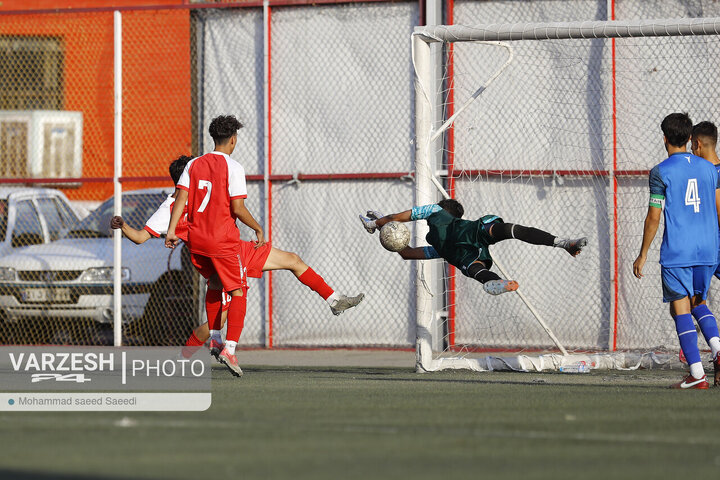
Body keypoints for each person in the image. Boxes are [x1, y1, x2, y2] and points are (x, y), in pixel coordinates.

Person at [166, 115, 364, 376]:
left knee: (272, 267)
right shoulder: (232, 167)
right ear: (233, 140)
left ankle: (333, 299)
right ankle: (228, 349)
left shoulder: (193, 165)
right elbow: (237, 207)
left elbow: (180, 199)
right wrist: (258, 227)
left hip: (202, 244)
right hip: (226, 244)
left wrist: (170, 230)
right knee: (239, 293)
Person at [110, 155, 231, 358]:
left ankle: (194, 351)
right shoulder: (168, 209)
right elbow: (140, 237)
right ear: (188, 176)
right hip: (212, 258)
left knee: (228, 306)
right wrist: (123, 225)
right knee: (230, 304)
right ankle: (204, 348)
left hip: (224, 253)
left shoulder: (202, 195)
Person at [633, 113, 720, 389]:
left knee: (680, 307)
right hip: (708, 250)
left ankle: (697, 375)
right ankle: (718, 351)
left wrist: (643, 253)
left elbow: (654, 217)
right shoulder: (709, 168)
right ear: (690, 139)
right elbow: (718, 208)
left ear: (665, 138)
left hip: (678, 251)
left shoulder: (660, 172)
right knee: (699, 303)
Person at [359, 199, 587, 295]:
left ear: (441, 207)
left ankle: (492, 281)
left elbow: (406, 251)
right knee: (509, 230)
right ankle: (563, 243)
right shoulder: (440, 213)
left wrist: (380, 225)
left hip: (455, 253)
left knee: (473, 267)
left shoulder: (436, 227)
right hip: (471, 231)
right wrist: (383, 223)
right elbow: (401, 220)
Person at [686, 120, 720, 385]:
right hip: (710, 246)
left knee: (692, 302)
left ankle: (713, 355)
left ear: (697, 144)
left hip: (709, 247)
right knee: (696, 301)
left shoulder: (708, 173)